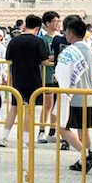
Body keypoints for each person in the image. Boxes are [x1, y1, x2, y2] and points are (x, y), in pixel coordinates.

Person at [0, 15, 50, 148]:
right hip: (34, 79)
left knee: (14, 108)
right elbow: (44, 61)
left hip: (17, 78)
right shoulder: (38, 42)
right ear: (38, 28)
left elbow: (8, 59)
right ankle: (25, 139)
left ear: (25, 25)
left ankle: (4, 137)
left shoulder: (14, 41)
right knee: (29, 109)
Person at [54, 18, 92, 172]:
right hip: (87, 95)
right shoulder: (90, 51)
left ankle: (86, 154)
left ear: (71, 34)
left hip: (72, 97)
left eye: (66, 31)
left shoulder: (70, 52)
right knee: (83, 130)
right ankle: (84, 159)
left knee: (62, 128)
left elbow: (62, 73)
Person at [39, 11, 61, 144]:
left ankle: (53, 131)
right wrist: (57, 56)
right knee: (48, 104)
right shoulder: (43, 40)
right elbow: (43, 58)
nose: (57, 24)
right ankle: (41, 130)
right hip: (47, 74)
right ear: (47, 23)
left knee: (57, 105)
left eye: (58, 21)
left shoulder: (61, 38)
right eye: (55, 21)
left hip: (60, 75)